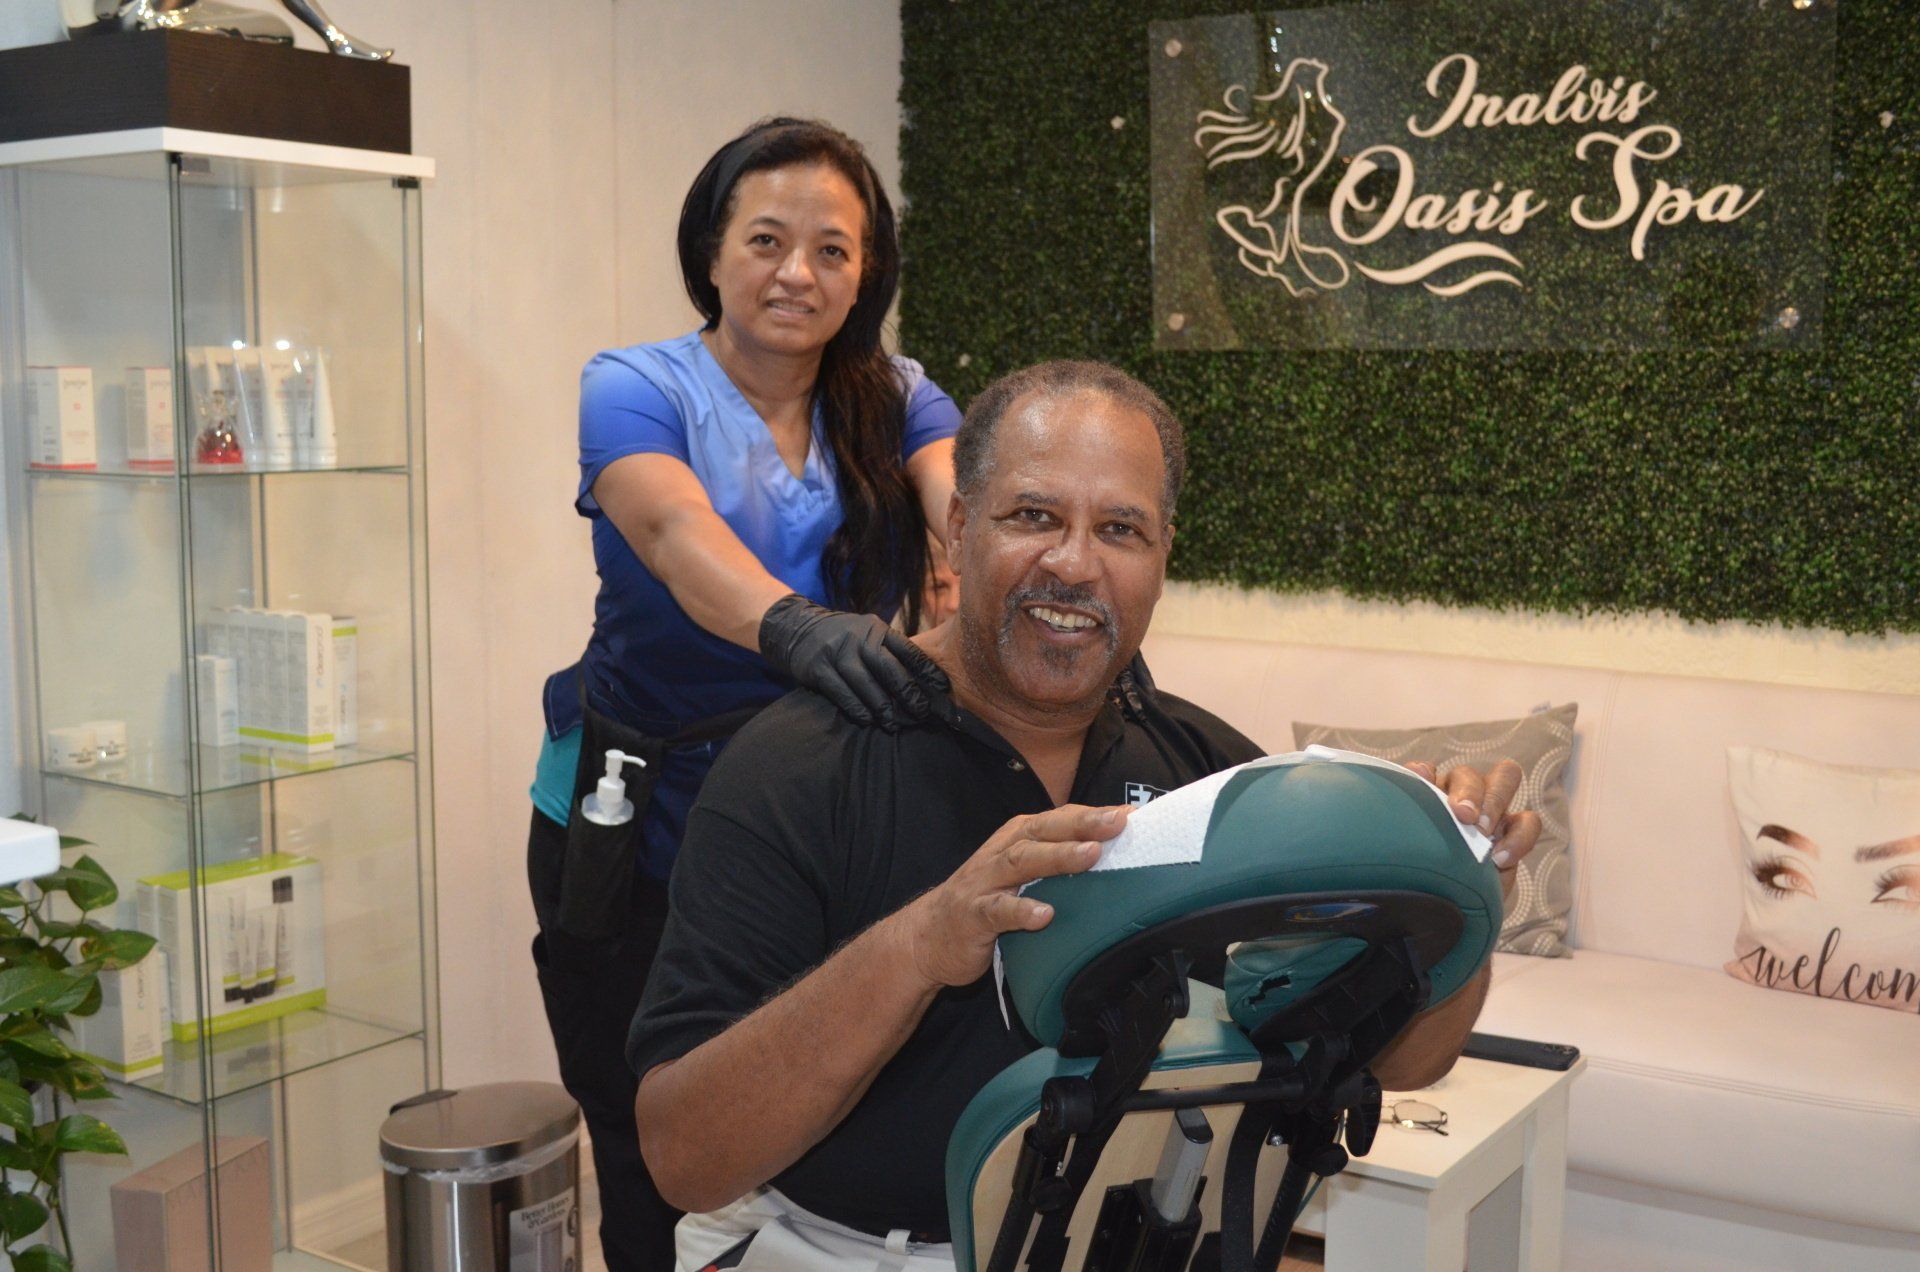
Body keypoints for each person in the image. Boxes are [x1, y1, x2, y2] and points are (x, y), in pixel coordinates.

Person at [627, 360, 1543, 1269]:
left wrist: (1464, 888)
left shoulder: (1208, 776)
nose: (1073, 564)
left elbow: (1405, 1063)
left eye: (1120, 529)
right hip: (847, 1252)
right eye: (1034, 516)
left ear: (1162, 557)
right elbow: (685, 1158)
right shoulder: (799, 766)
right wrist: (918, 947)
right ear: (959, 528)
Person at [527, 118, 962, 1269]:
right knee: (651, 1144)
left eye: (833, 249)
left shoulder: (899, 398)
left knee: (814, 1119)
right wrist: (796, 627)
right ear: (712, 252)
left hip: (811, 828)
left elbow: (961, 504)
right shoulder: (634, 386)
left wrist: (1010, 586)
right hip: (631, 827)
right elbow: (674, 532)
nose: (796, 273)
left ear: (867, 273)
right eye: (767, 240)